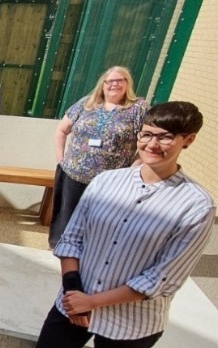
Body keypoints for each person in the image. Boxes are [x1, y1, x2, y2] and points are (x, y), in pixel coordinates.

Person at [6, 102, 214, 348]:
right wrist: (74, 292)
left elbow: (162, 278)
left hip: (132, 318)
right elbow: (72, 238)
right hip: (76, 297)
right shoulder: (107, 181)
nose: (152, 144)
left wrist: (93, 302)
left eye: (165, 137)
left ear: (189, 140)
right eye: (147, 134)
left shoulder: (195, 206)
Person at [49, 66, 148, 248]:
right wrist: (60, 160)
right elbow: (62, 130)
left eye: (120, 80)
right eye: (110, 81)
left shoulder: (138, 109)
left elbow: (145, 141)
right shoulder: (86, 103)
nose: (115, 85)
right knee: (66, 214)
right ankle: (58, 249)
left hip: (110, 179)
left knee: (99, 219)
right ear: (103, 84)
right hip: (74, 172)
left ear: (128, 84)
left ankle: (88, 254)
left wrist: (134, 168)